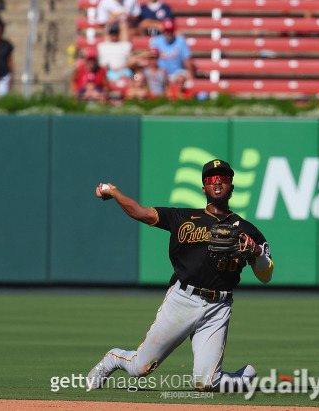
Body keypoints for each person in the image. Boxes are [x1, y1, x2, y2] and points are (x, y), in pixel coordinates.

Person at [87, 159, 274, 392]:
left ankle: (242, 378)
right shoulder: (182, 217)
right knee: (140, 368)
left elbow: (266, 274)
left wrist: (255, 251)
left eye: (224, 179)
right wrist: (115, 193)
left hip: (219, 307)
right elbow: (142, 213)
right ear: (203, 187)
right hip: (183, 300)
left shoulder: (248, 230)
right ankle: (113, 359)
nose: (217, 182)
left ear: (232, 187)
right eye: (211, 179)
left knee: (205, 383)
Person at [150, 18, 195, 99]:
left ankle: (184, 99)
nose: (168, 33)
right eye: (167, 31)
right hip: (161, 73)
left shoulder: (180, 40)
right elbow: (151, 59)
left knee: (181, 78)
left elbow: (187, 60)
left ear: (174, 31)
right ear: (163, 31)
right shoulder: (156, 41)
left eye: (170, 31)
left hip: (177, 74)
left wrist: (191, 77)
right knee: (137, 76)